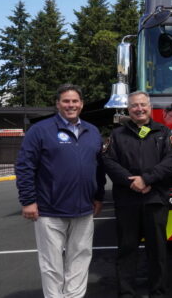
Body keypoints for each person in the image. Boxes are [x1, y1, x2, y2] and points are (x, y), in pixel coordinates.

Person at [15, 83, 105, 297]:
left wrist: (99, 196)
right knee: (51, 264)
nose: (70, 105)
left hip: (84, 209)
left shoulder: (92, 131)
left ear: (81, 104)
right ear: (57, 104)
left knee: (80, 258)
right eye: (66, 101)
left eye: (75, 101)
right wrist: (28, 200)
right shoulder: (40, 130)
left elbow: (99, 167)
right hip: (49, 210)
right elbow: (25, 165)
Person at [102, 91, 172, 298]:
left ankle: (158, 292)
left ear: (149, 106)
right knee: (127, 250)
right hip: (127, 201)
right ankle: (126, 293)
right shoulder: (117, 135)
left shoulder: (163, 132)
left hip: (155, 200)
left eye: (143, 104)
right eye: (135, 106)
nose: (139, 109)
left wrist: (147, 179)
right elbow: (109, 162)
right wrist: (132, 182)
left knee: (158, 251)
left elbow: (171, 160)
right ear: (129, 109)